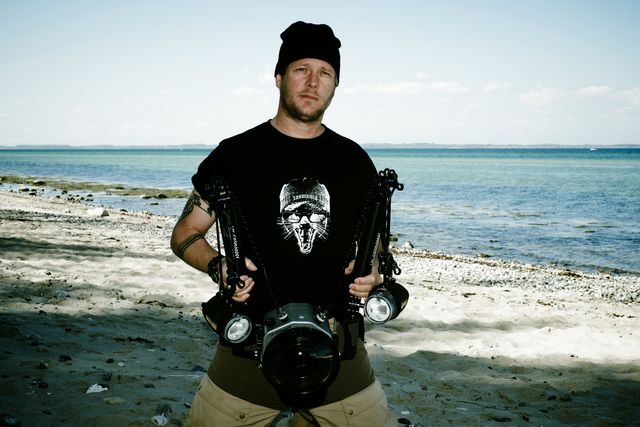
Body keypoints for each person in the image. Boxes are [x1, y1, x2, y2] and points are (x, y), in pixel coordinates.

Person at [171, 21, 398, 426]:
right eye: (301, 69)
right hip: (248, 345)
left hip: (338, 345)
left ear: (335, 85)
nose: (313, 82)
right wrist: (218, 265)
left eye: (325, 73)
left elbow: (377, 241)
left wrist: (375, 269)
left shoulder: (354, 162)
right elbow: (185, 233)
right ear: (278, 77)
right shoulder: (234, 156)